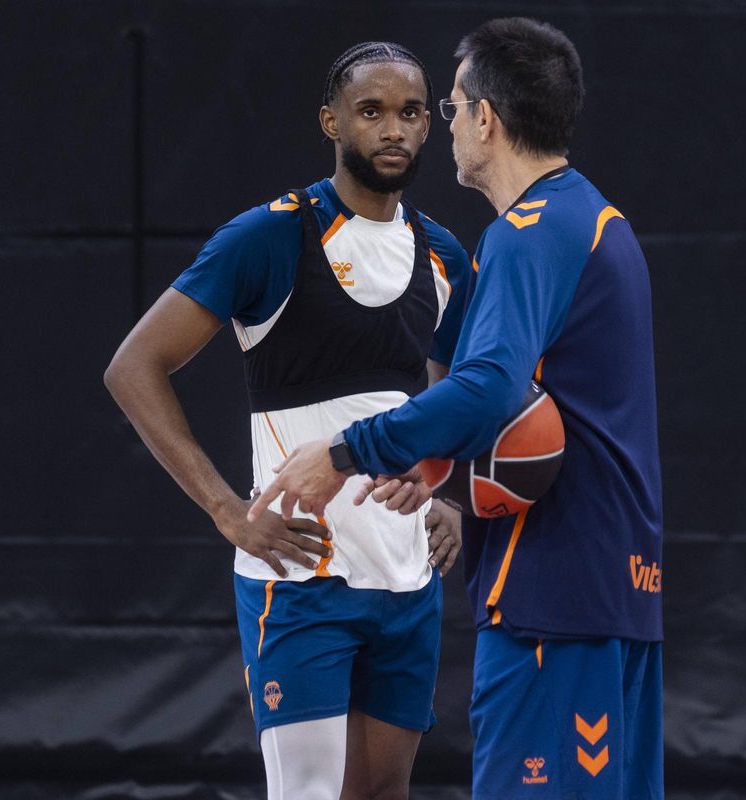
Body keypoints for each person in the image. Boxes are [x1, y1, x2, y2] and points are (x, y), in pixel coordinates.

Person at [250, 18, 664, 800]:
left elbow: (488, 391)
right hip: (618, 591)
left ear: (486, 118)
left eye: (447, 108)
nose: (443, 128)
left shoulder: (528, 233)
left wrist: (346, 450)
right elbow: (538, 417)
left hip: (553, 597)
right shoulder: (598, 220)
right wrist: (434, 463)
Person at [104, 41, 472, 800]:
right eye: (371, 112)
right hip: (298, 577)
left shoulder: (443, 256)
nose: (393, 129)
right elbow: (132, 368)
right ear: (331, 120)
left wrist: (444, 492)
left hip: (405, 577)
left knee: (379, 795)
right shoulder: (271, 236)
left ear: (429, 126)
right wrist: (225, 510)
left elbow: (446, 404)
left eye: (409, 113)